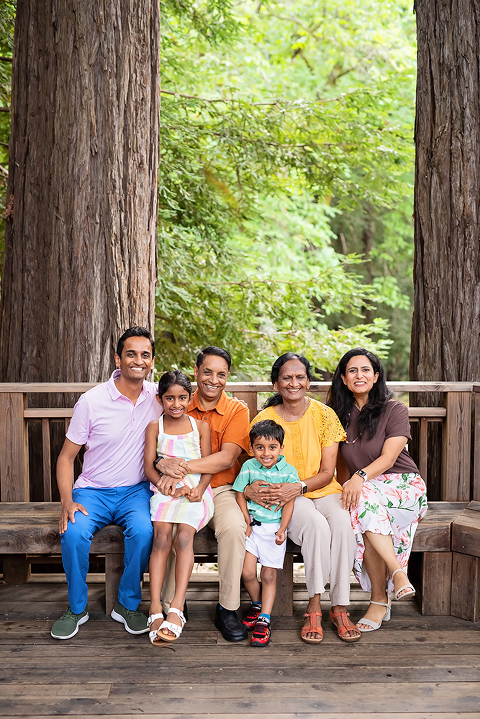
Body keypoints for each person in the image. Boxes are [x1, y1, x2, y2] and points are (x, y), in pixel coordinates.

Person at [51, 327, 162, 640]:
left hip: (136, 491)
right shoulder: (92, 401)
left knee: (143, 532)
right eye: (131, 353)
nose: (138, 360)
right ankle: (76, 608)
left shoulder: (158, 398)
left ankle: (126, 604)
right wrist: (67, 502)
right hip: (92, 491)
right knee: (72, 534)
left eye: (145, 355)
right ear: (118, 358)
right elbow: (65, 458)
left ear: (152, 361)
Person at [245, 353, 361, 644]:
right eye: (287, 377)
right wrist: (272, 492)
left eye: (300, 377)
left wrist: (298, 487)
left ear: (308, 381)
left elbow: (327, 471)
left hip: (319, 488)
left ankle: (339, 606)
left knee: (342, 524)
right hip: (284, 499)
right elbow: (255, 469)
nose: (294, 383)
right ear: (276, 383)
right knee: (316, 527)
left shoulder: (324, 415)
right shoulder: (265, 420)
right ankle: (314, 604)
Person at [327, 348, 428, 632]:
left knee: (362, 498)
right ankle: (388, 588)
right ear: (344, 380)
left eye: (365, 370)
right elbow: (342, 468)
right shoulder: (338, 417)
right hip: (366, 492)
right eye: (352, 371)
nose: (359, 375)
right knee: (359, 506)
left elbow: (388, 458)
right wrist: (344, 488)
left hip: (403, 485)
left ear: (376, 376)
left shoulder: (394, 409)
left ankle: (386, 589)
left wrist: (359, 478)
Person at [155, 347, 250, 642]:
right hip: (178, 488)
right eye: (207, 372)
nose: (213, 380)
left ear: (227, 378)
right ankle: (172, 604)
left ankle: (228, 608)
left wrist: (178, 466)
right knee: (168, 528)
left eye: (221, 374)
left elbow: (225, 458)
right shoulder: (179, 400)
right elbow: (157, 446)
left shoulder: (237, 410)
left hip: (221, 489)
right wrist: (160, 464)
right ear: (196, 372)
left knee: (234, 528)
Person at [144, 370, 214, 644]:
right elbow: (149, 466)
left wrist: (199, 488)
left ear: (190, 397)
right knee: (161, 538)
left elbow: (207, 465)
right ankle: (154, 607)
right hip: (164, 489)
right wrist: (162, 482)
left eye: (182, 398)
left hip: (196, 491)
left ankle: (176, 606)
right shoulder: (155, 427)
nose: (176, 404)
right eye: (169, 398)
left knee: (184, 537)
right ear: (160, 399)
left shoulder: (201, 427)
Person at [233, 420, 297, 647]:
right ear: (251, 448)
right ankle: (257, 603)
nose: (266, 453)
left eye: (272, 447)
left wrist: (282, 529)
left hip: (274, 531)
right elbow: (240, 493)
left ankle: (265, 618)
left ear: (281, 449)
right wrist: (246, 520)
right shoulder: (249, 467)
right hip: (253, 528)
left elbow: (289, 503)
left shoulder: (289, 472)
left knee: (269, 576)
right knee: (247, 572)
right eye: (260, 447)